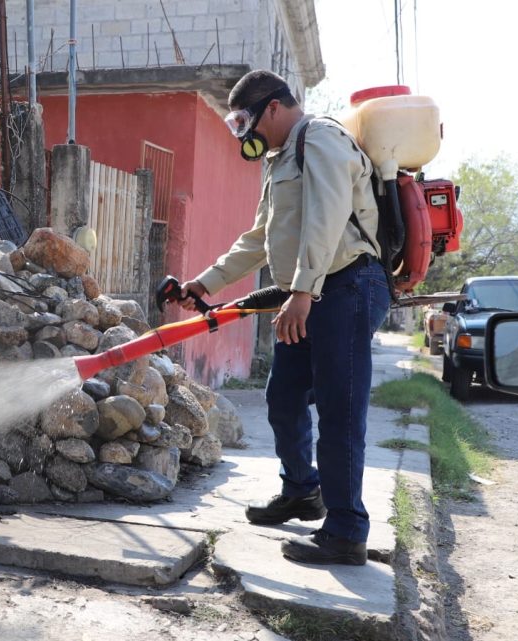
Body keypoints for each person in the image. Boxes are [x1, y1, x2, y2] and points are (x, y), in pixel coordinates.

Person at [176, 70, 390, 565]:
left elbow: (328, 214)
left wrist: (301, 291)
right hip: (312, 290)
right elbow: (260, 237)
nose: (247, 134)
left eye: (246, 121)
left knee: (340, 410)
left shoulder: (323, 137)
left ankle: (346, 531)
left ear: (273, 107)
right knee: (284, 395)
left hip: (349, 285)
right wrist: (205, 283)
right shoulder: (280, 157)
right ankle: (302, 492)